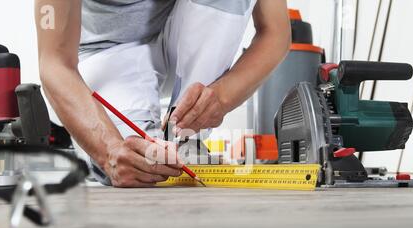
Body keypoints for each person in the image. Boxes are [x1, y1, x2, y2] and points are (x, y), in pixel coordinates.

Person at [35, 0, 291, 187]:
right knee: (142, 165)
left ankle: (185, 137)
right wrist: (108, 149)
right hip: (109, 52)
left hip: (181, 39)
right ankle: (157, 143)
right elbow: (54, 63)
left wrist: (221, 97)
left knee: (167, 159)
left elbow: (275, 32)